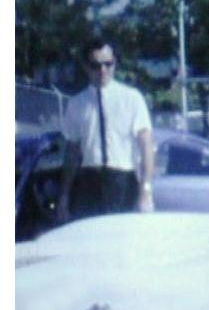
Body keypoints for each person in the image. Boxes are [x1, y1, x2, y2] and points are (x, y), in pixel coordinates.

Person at [56, 37, 155, 222]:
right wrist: (64, 197)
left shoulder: (132, 99)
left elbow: (146, 146)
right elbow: (72, 153)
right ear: (86, 67)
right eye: (96, 65)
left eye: (108, 64)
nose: (103, 70)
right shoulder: (76, 104)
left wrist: (145, 190)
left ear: (115, 63)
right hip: (89, 182)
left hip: (123, 182)